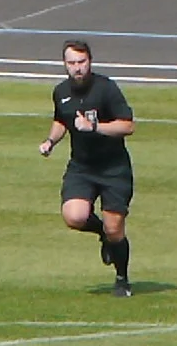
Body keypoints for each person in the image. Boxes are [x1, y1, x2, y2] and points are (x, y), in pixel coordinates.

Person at [39, 40, 136, 298]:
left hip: (114, 168)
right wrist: (50, 141)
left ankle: (122, 278)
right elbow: (61, 120)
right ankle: (101, 233)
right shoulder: (61, 91)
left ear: (90, 62)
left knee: (115, 229)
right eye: (72, 63)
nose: (77, 68)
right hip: (82, 167)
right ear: (64, 64)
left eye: (81, 62)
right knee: (74, 216)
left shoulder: (106, 88)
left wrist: (95, 127)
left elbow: (127, 125)